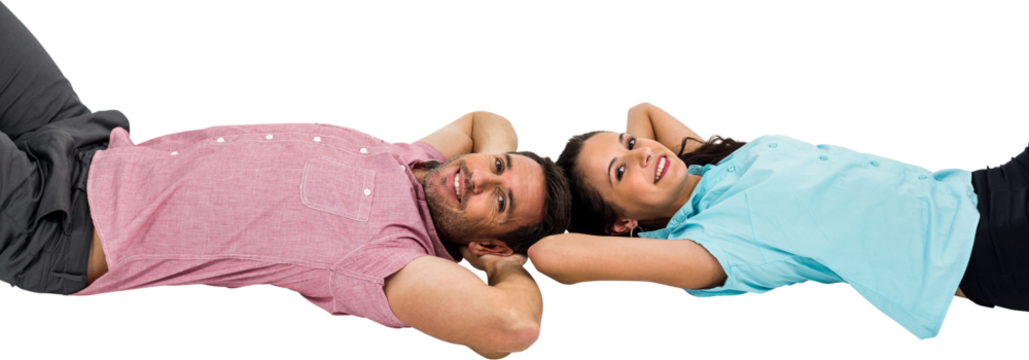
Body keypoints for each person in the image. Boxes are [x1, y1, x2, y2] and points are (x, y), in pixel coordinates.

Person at [0, 4, 572, 359]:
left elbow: (512, 326)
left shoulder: (395, 260)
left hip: (53, 226)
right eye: (495, 170)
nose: (477, 180)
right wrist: (504, 167)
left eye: (499, 203)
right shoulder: (411, 160)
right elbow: (485, 120)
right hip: (85, 141)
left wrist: (506, 262)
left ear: (489, 242)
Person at [529, 99, 1028, 342]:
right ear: (621, 227)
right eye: (620, 172)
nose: (642, 155)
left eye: (630, 143)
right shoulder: (705, 248)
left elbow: (644, 109)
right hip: (985, 247)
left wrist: (624, 161)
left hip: (983, 184)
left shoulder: (713, 166)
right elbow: (552, 255)